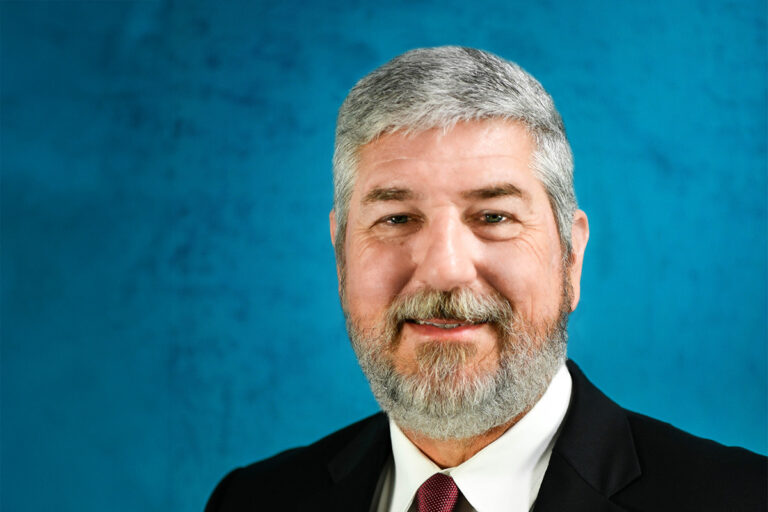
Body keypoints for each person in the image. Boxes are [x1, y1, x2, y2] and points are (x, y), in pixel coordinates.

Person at [205, 46, 766, 512]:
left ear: (571, 259)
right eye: (396, 219)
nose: (444, 268)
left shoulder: (742, 499)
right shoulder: (251, 501)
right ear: (341, 257)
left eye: (494, 217)